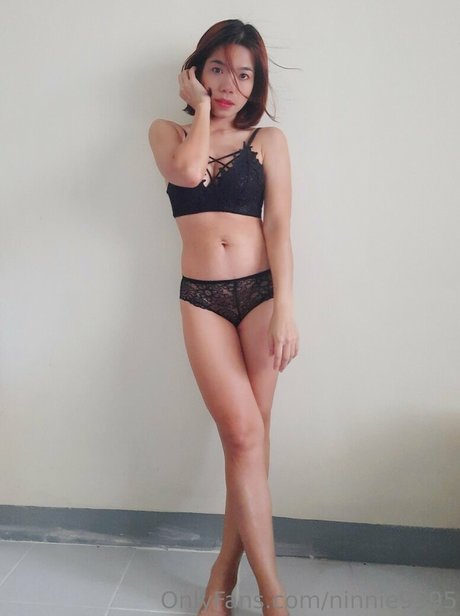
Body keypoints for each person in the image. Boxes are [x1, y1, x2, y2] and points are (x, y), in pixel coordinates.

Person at [148, 19, 299, 616]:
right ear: (196, 72)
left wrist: (287, 308)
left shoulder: (269, 142)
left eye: (244, 75)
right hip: (202, 299)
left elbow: (279, 227)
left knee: (250, 442)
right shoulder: (168, 133)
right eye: (218, 70)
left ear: (257, 83)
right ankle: (271, 598)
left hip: (262, 296)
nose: (230, 84)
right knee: (243, 436)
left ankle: (225, 581)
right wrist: (204, 110)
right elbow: (188, 174)